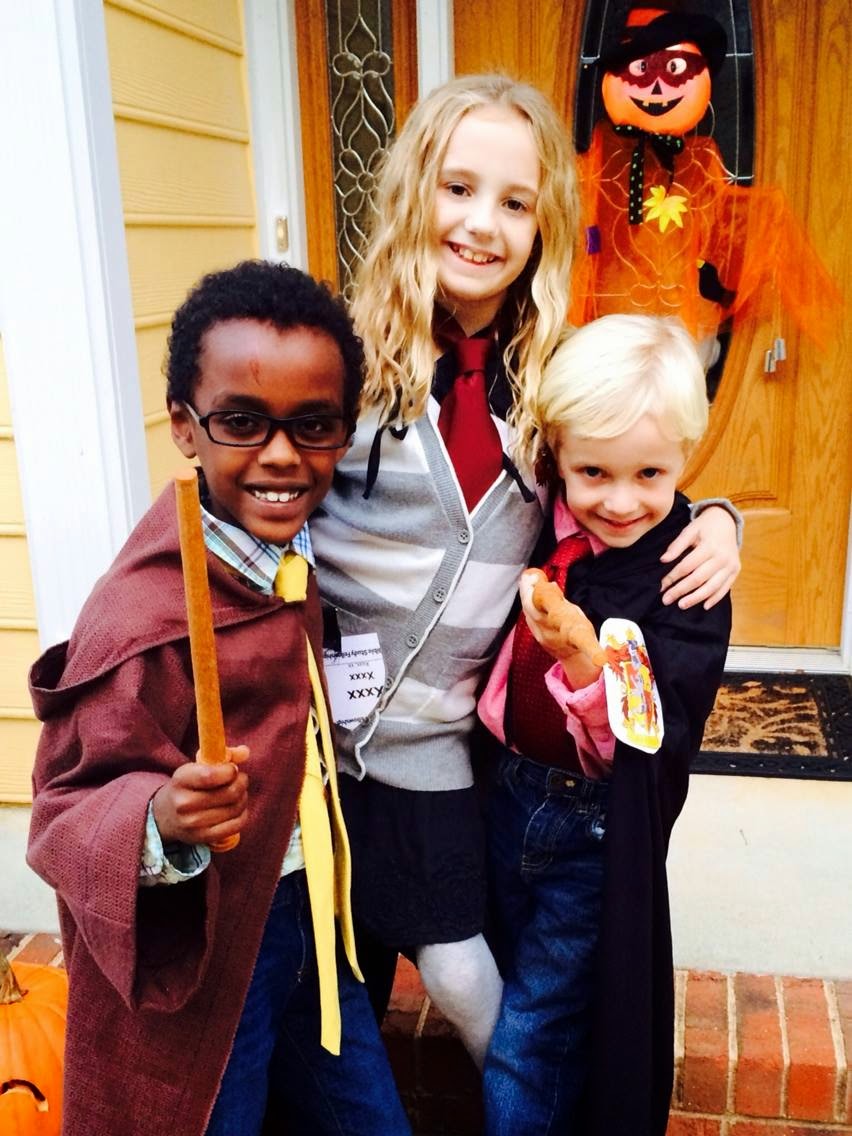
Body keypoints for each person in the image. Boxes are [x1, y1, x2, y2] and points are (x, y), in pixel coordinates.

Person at [309, 73, 741, 1067]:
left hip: (445, 749)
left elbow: (627, 468)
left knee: (466, 971)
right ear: (412, 190)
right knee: (334, 969)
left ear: (544, 223)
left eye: (514, 202)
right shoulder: (339, 361)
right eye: (458, 188)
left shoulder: (548, 378)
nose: (481, 224)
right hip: (316, 744)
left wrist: (714, 517)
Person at [26, 261, 412, 1136]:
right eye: (240, 422)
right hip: (214, 953)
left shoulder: (291, 550)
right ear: (184, 427)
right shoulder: (142, 619)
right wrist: (160, 816)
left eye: (313, 425)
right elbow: (59, 814)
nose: (280, 455)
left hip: (314, 927)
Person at [477, 313, 733, 1136]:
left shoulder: (685, 576)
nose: (620, 502)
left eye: (650, 474)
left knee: (530, 1037)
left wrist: (589, 666)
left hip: (588, 831)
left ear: (685, 454)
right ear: (556, 454)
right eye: (594, 472)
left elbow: (657, 732)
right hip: (502, 797)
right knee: (519, 991)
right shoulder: (541, 516)